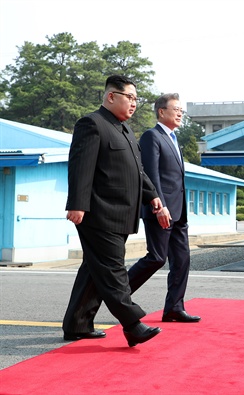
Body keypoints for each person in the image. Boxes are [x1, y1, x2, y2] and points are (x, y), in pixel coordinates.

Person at [63, 75, 166, 347]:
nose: (133, 104)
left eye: (136, 99)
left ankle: (77, 324)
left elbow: (138, 171)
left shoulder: (126, 130)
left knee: (94, 269)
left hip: (122, 214)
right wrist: (77, 204)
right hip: (99, 212)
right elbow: (80, 166)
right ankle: (132, 324)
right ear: (111, 97)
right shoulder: (92, 124)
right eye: (129, 97)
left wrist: (152, 195)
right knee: (112, 269)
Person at [127, 93, 201, 323]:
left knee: (182, 259)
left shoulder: (174, 139)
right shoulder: (152, 136)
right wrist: (159, 205)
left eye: (181, 110)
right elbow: (150, 174)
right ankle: (116, 294)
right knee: (157, 258)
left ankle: (174, 308)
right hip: (161, 209)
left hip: (179, 212)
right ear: (161, 112)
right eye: (176, 109)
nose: (180, 113)